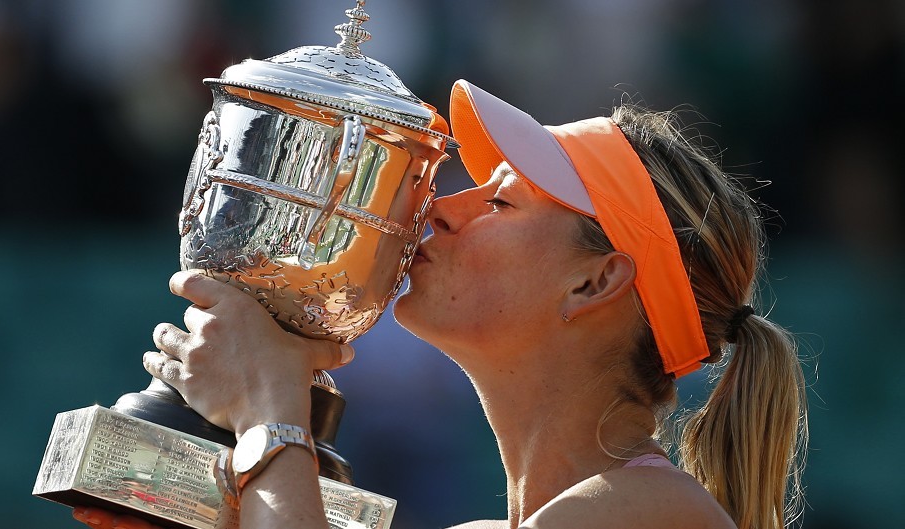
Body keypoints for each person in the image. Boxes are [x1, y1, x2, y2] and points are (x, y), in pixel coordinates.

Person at [73, 80, 806, 529]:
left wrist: (270, 406)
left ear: (595, 282)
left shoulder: (654, 516)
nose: (444, 208)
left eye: (502, 200)